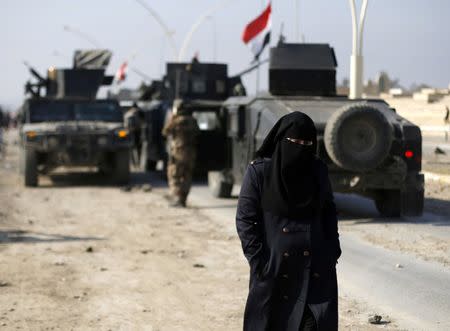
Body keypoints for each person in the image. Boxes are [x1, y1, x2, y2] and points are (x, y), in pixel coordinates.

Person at [236, 112, 341, 331]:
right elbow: (246, 220)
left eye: (307, 143)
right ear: (282, 140)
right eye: (295, 142)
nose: (300, 148)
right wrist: (258, 261)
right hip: (274, 270)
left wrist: (332, 250)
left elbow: (329, 212)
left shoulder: (317, 170)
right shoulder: (259, 172)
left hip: (316, 272)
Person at [162, 99, 200, 207]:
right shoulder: (192, 120)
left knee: (174, 175)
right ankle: (183, 199)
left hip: (178, 153)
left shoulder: (175, 120)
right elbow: (198, 132)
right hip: (191, 152)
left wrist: (173, 117)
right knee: (187, 175)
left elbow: (165, 131)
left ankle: (177, 198)